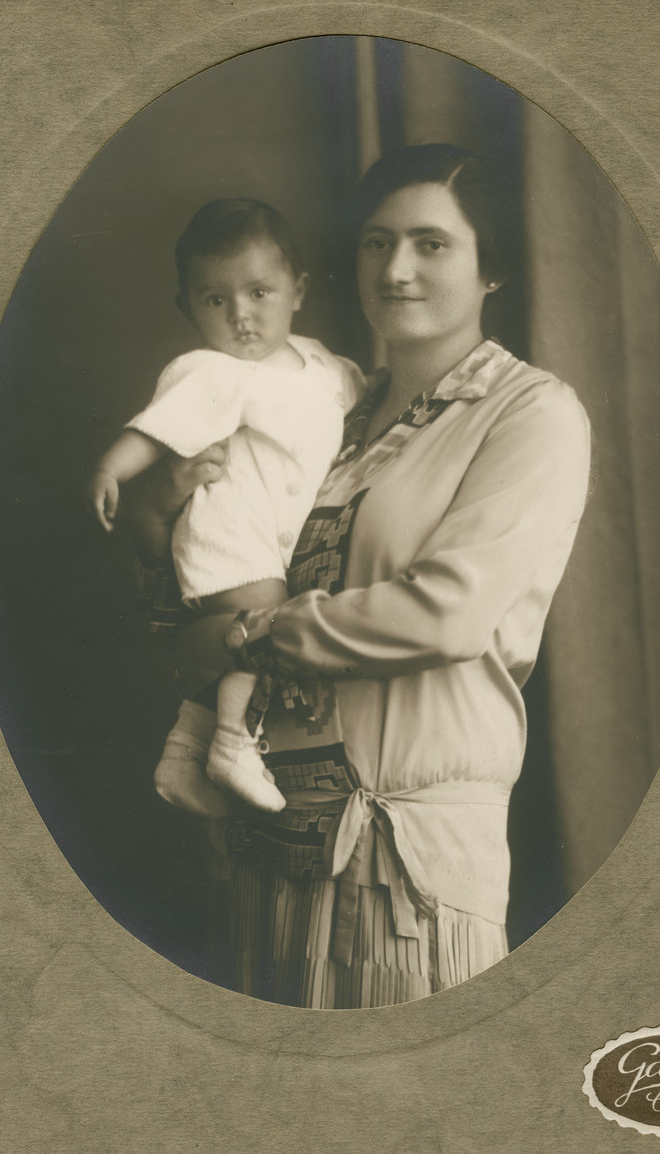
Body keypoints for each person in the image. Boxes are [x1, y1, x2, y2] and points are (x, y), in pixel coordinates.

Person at [129, 144, 593, 1009]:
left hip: (402, 854)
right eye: (377, 243)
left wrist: (247, 637)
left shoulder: (529, 412)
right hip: (268, 844)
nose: (397, 269)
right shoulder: (322, 408)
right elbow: (202, 598)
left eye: (431, 244)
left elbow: (444, 616)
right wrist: (169, 528)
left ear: (490, 267)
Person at [88, 199, 364, 814]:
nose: (241, 316)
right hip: (230, 532)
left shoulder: (321, 361)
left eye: (259, 292)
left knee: (249, 632)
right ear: (189, 308)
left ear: (298, 290)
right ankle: (234, 745)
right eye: (216, 301)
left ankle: (183, 753)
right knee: (261, 628)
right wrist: (114, 464)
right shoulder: (210, 371)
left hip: (276, 534)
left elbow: (361, 400)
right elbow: (155, 431)